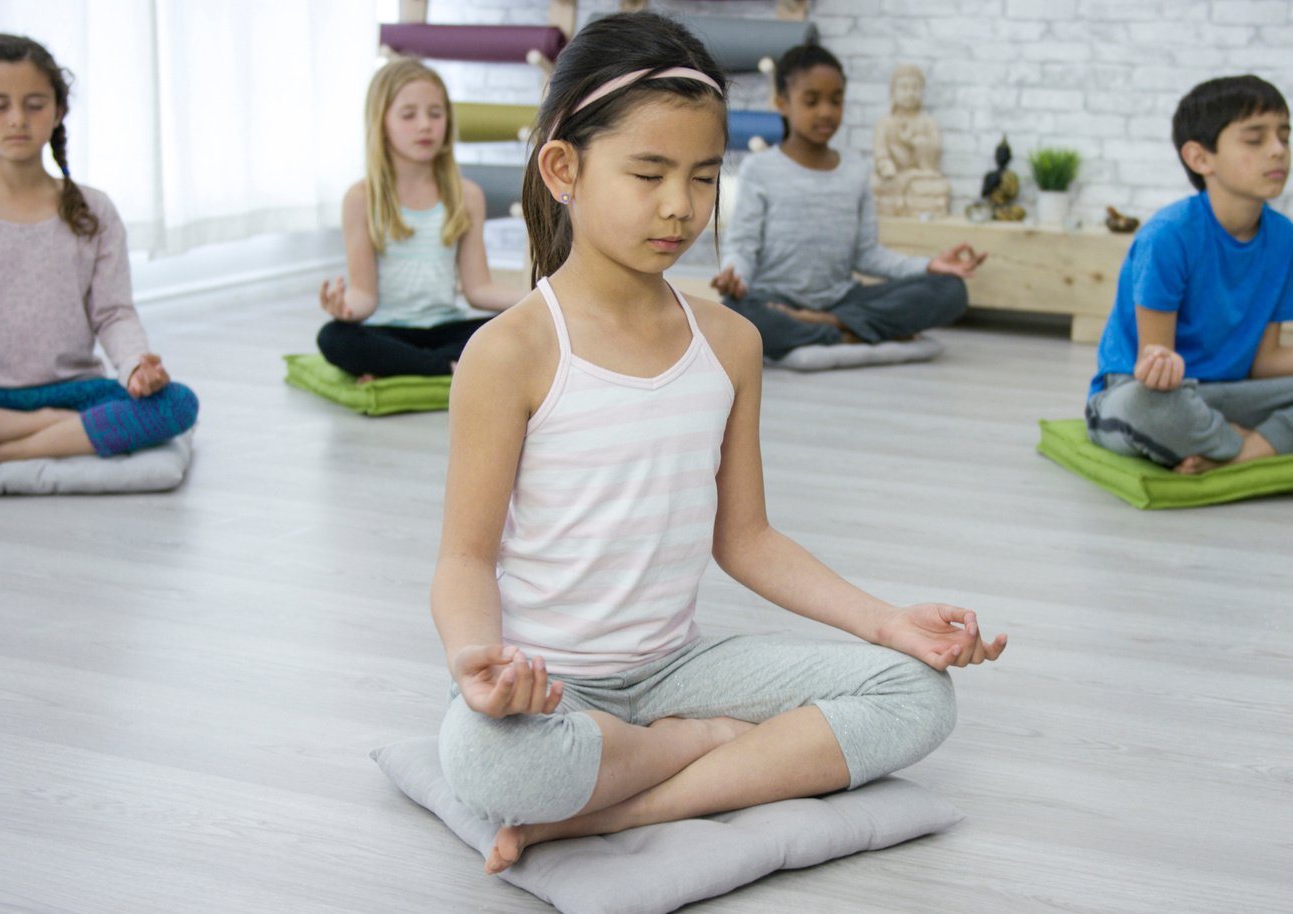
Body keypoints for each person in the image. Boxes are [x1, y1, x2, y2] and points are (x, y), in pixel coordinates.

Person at [430, 13, 1007, 877]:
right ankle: (702, 749)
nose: (680, 206)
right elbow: (464, 559)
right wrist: (478, 662)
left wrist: (885, 621)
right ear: (565, 170)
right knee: (485, 760)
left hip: (679, 667)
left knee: (917, 692)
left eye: (703, 177)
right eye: (648, 173)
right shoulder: (509, 351)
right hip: (553, 683)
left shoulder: (729, 342)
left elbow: (746, 539)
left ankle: (611, 806)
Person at [0, 34, 197, 463]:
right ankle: (50, 434)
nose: (18, 119)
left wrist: (135, 367)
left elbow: (113, 313)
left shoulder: (94, 209)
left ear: (58, 111)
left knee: (177, 403)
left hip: (78, 392)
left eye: (34, 105)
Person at [711, 44, 985, 364]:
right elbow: (743, 246)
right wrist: (736, 276)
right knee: (736, 312)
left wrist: (927, 266)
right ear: (782, 103)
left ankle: (831, 326)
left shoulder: (855, 170)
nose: (826, 111)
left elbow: (868, 254)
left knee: (951, 291)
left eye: (836, 101)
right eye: (812, 101)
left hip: (842, 300)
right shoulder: (759, 169)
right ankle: (851, 332)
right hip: (776, 301)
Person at [1086, 75, 1293, 474]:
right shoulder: (1169, 235)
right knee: (1149, 406)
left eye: (1284, 137)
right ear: (1200, 158)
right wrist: (1162, 371)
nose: (1278, 151)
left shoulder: (1285, 240)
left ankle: (1231, 453)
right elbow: (1156, 367)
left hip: (1227, 395)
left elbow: (1263, 362)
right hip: (1149, 394)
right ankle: (1252, 443)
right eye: (1255, 140)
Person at [315, 58, 521, 380]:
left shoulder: (466, 195)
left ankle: (406, 366)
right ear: (381, 122)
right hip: (386, 330)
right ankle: (445, 368)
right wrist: (345, 310)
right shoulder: (360, 199)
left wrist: (536, 299)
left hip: (446, 327)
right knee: (333, 337)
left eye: (435, 114)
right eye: (409, 115)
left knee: (511, 331)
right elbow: (365, 296)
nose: (425, 125)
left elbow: (478, 289)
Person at [872, 63, 951, 218]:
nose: (910, 93)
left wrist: (919, 143)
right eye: (904, 88)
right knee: (873, 184)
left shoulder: (928, 122)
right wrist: (885, 166)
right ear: (893, 92)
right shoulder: (885, 122)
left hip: (920, 177)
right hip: (892, 178)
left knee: (940, 187)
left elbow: (934, 155)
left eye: (915, 88)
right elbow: (880, 151)